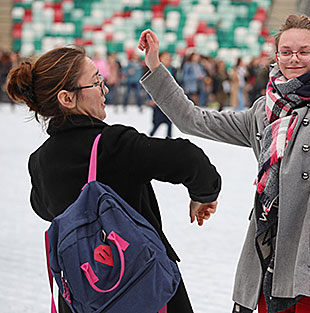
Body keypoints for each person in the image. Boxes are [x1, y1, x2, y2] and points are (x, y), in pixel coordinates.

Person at [139, 14, 310, 313]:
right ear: (276, 56)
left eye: (304, 52)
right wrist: (156, 67)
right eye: (286, 52)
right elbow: (193, 119)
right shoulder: (263, 111)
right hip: (269, 246)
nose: (294, 59)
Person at [6, 45, 221, 313]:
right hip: (143, 287)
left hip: (86, 295)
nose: (104, 89)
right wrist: (205, 195)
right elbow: (188, 158)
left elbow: (43, 209)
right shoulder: (112, 145)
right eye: (96, 82)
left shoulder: (39, 161)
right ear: (66, 98)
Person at [149, 51, 174, 138]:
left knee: (169, 123)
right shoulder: (155, 70)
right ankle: (150, 137)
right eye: (165, 58)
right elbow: (150, 85)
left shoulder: (173, 70)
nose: (168, 60)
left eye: (169, 58)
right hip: (158, 101)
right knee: (157, 123)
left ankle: (169, 140)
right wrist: (151, 98)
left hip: (169, 101)